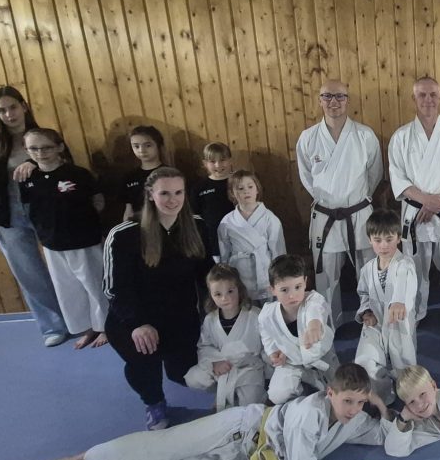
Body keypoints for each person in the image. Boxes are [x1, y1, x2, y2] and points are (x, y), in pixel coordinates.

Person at [7, 363, 389, 460]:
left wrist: (384, 410)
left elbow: (379, 433)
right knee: (160, 448)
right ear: (330, 393)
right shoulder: (309, 415)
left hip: (242, 458)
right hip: (241, 427)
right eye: (348, 401)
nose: (353, 409)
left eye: (360, 402)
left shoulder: (352, 418)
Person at [103, 167, 215, 430]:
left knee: (183, 372)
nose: (172, 200)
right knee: (145, 359)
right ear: (150, 194)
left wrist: (227, 299)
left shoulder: (196, 225)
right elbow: (115, 289)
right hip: (134, 319)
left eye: (178, 193)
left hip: (179, 316)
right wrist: (137, 324)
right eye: (164, 193)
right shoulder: (124, 235)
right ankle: (154, 403)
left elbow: (207, 272)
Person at [0, 86, 68, 346]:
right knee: (29, 274)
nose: (8, 114)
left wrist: (34, 162)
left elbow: (66, 168)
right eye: (1, 110)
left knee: (64, 267)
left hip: (47, 213)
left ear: (24, 106)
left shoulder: (44, 137)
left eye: (12, 107)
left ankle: (78, 318)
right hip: (8, 217)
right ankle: (53, 326)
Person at [297, 79, 383, 327]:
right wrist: (330, 199)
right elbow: (307, 178)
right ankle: (329, 327)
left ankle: (373, 322)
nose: (333, 101)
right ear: (319, 100)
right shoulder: (308, 137)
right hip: (325, 215)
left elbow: (374, 174)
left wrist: (355, 200)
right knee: (326, 276)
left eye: (339, 96)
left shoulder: (364, 135)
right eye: (327, 96)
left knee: (370, 271)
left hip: (359, 213)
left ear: (347, 100)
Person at [388, 76, 440, 319]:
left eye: (433, 94)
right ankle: (413, 314)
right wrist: (426, 200)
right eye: (422, 95)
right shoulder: (401, 137)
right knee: (413, 269)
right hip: (416, 213)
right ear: (413, 98)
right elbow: (398, 177)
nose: (428, 100)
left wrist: (436, 202)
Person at [19, 128, 108, 349]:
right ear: (26, 151)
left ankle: (106, 327)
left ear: (59, 147)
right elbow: (31, 208)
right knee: (68, 290)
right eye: (34, 149)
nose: (41, 153)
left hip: (83, 240)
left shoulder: (78, 174)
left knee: (95, 285)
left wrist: (85, 223)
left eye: (46, 148)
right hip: (52, 242)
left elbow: (98, 201)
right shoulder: (28, 178)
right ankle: (86, 328)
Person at [353, 209, 418, 404]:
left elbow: (405, 283)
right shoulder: (367, 269)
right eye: (378, 240)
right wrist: (367, 311)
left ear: (398, 238)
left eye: (389, 239)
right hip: (375, 324)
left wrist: (399, 301)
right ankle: (383, 397)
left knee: (404, 368)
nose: (384, 246)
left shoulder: (405, 264)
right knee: (366, 363)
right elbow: (363, 293)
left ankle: (410, 397)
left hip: (398, 323)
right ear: (370, 240)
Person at [184, 264, 268, 410]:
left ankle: (249, 392)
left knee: (250, 406)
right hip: (222, 367)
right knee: (193, 377)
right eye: (218, 294)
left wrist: (270, 372)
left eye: (230, 291)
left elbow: (267, 345)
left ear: (239, 289)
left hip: (249, 368)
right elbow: (205, 346)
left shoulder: (255, 315)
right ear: (211, 295)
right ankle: (221, 390)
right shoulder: (210, 320)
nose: (225, 298)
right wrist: (215, 363)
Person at [259, 255, 339, 405]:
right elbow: (266, 333)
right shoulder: (267, 314)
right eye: (284, 290)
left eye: (298, 287)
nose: (292, 295)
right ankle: (304, 392)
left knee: (339, 391)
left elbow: (316, 310)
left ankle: (318, 381)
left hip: (320, 355)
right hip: (291, 359)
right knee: (277, 395)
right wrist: (273, 351)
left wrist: (314, 326)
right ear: (273, 290)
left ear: (305, 282)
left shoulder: (313, 300)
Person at [217, 170, 286, 305]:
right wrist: (227, 277)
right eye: (240, 188)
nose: (246, 191)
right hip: (239, 274)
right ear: (232, 193)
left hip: (265, 273)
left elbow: (278, 252)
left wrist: (279, 279)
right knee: (245, 311)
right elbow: (224, 253)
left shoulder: (270, 218)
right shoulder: (227, 222)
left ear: (257, 189)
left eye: (250, 187)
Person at [190, 142, 235, 259]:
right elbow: (195, 216)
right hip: (213, 243)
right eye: (212, 161)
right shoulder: (199, 187)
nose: (218, 165)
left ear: (230, 160)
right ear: (205, 163)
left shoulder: (239, 182)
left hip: (239, 239)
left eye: (222, 160)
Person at [120, 125, 167, 221]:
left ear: (158, 145)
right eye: (136, 146)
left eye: (148, 145)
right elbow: (128, 210)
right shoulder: (130, 177)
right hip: (138, 224)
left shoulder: (169, 174)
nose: (141, 150)